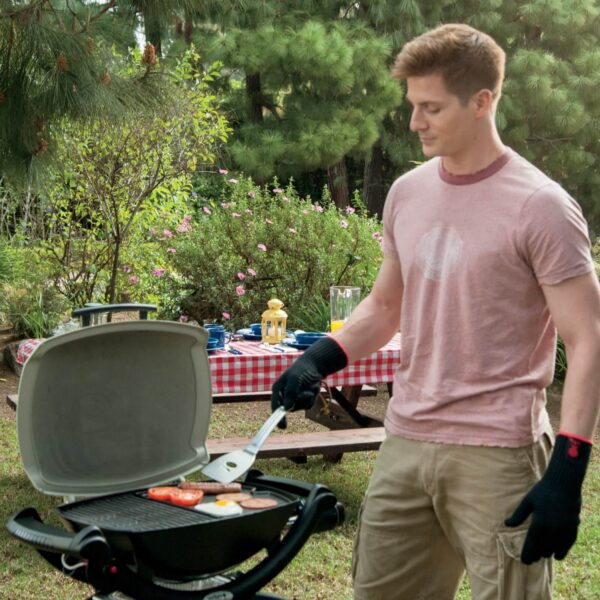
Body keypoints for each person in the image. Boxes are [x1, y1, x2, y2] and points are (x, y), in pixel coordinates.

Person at [271, 23, 600, 600]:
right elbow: (384, 305)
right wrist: (318, 359)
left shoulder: (541, 207)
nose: (415, 122)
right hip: (406, 440)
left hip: (498, 451)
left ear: (482, 102)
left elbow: (588, 337)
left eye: (431, 107)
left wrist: (570, 468)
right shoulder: (408, 193)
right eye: (413, 106)